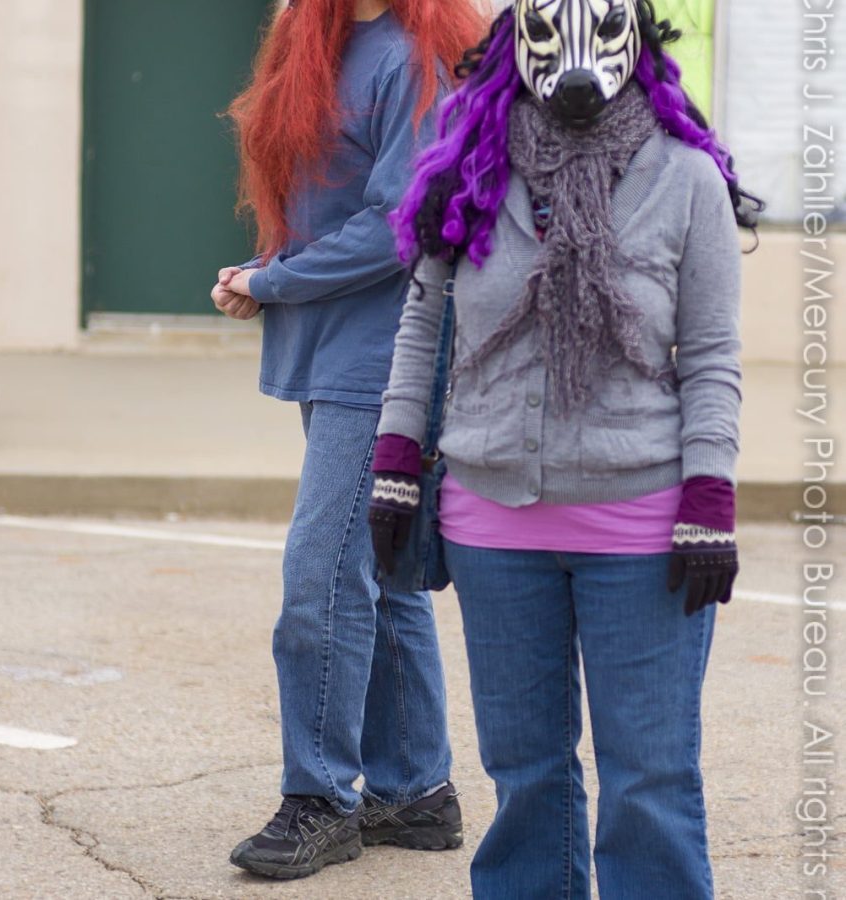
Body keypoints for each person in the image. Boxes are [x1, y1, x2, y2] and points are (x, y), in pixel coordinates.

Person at [369, 1, 763, 897]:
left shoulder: (687, 177)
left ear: (640, 39)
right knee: (527, 776)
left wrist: (709, 497)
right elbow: (423, 323)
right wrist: (397, 460)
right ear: (519, 42)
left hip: (643, 525)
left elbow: (709, 357)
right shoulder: (465, 170)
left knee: (650, 783)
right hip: (490, 522)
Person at [210, 0, 487, 881]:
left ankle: (321, 797)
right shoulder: (317, 40)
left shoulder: (413, 55)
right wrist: (267, 278)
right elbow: (311, 202)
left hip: (386, 358)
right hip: (332, 345)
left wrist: (279, 278)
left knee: (320, 576)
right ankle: (414, 789)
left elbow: (400, 220)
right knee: (381, 567)